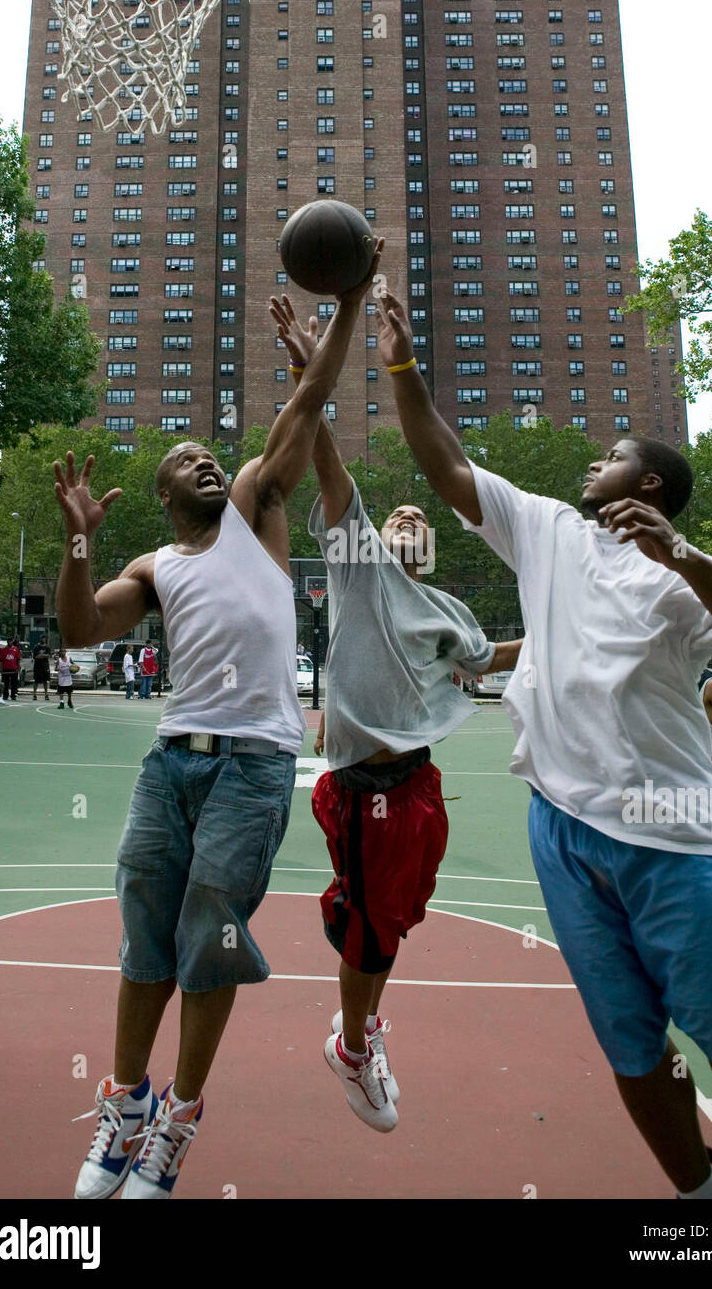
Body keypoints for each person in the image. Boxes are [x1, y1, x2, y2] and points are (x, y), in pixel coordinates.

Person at [378, 284, 712, 1202]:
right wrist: (402, 365)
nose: (592, 462)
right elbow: (448, 464)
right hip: (562, 825)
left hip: (670, 827)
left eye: (612, 457)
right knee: (629, 1040)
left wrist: (684, 555)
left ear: (648, 484)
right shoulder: (548, 532)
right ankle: (704, 1203)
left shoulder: (683, 577)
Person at [57, 238, 382, 1201]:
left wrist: (349, 304)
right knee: (143, 940)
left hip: (250, 768)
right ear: (161, 496)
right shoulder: (156, 567)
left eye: (209, 455)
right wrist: (78, 548)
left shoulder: (253, 507)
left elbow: (308, 406)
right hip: (171, 765)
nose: (206, 463)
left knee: (209, 937)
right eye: (185, 462)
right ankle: (124, 1106)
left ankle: (179, 1122)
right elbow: (80, 630)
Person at [270, 294, 522, 1133]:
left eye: (420, 517)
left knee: (396, 922)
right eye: (398, 515)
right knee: (371, 929)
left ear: (436, 546)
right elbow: (332, 475)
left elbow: (490, 661)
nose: (406, 519)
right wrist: (311, 372)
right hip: (363, 782)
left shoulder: (450, 612)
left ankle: (364, 1021)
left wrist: (565, 630)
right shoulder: (359, 566)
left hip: (419, 787)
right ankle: (349, 1046)